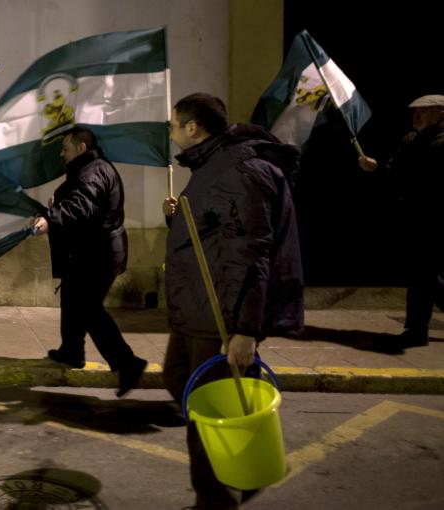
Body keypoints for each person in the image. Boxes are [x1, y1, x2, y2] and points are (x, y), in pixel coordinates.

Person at [162, 93, 303, 510]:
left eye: (173, 125)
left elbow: (250, 255)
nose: (170, 133)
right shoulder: (212, 166)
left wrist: (245, 329)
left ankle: (216, 499)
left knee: (207, 408)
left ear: (193, 127)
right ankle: (233, 471)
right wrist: (177, 219)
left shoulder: (237, 172)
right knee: (178, 380)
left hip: (219, 314)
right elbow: (212, 232)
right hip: (197, 308)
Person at [33, 125, 148, 398]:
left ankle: (127, 363)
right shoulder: (89, 168)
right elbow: (80, 200)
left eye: (66, 148)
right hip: (89, 252)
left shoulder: (93, 171)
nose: (62, 154)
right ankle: (72, 351)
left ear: (81, 147)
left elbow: (82, 205)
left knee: (87, 309)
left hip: (98, 255)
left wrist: (51, 218)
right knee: (72, 298)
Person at [358, 94, 444, 348]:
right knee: (423, 273)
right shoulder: (412, 140)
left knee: (422, 274)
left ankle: (417, 330)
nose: (417, 116)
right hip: (414, 217)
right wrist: (376, 168)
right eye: (415, 112)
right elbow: (395, 172)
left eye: (424, 112)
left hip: (435, 218)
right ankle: (417, 329)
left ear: (440, 114)